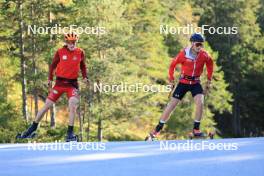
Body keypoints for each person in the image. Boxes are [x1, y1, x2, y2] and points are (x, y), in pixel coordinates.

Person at [17, 32, 88, 142]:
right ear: (66, 42)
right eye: (70, 42)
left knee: (73, 105)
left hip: (72, 84)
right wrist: (49, 79)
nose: (72, 44)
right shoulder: (60, 52)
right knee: (47, 105)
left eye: (74, 42)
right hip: (59, 83)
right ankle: (31, 129)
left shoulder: (80, 52)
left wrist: (85, 77)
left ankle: (69, 134)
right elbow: (53, 66)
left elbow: (83, 66)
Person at [145, 33, 214, 141]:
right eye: (198, 45)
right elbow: (172, 65)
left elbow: (210, 64)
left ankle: (196, 130)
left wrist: (209, 79)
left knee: (200, 102)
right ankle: (156, 131)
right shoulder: (184, 54)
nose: (200, 47)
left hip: (196, 83)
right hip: (183, 82)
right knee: (171, 106)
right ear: (192, 43)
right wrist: (171, 79)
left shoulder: (204, 55)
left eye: (202, 45)